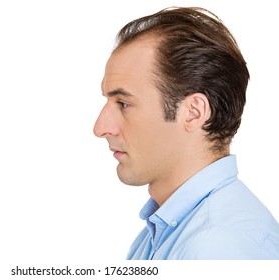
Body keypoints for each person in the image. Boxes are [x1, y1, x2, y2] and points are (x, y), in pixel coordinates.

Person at [93, 7, 279, 260]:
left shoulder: (216, 246)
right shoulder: (164, 233)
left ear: (193, 112)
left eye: (123, 104)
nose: (100, 128)